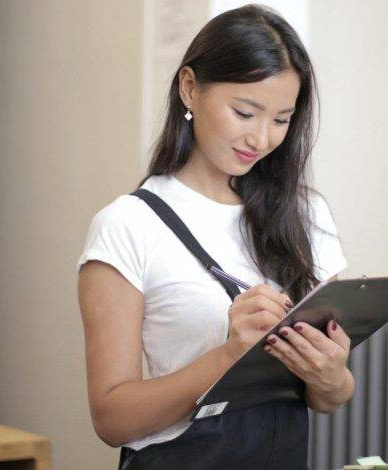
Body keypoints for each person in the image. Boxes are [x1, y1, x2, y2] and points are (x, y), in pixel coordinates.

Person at [76, 5, 353, 469]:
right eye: (245, 112)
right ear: (189, 88)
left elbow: (331, 397)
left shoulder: (305, 213)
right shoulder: (127, 225)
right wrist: (228, 355)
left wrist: (329, 377)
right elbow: (111, 418)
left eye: (282, 120)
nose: (262, 139)